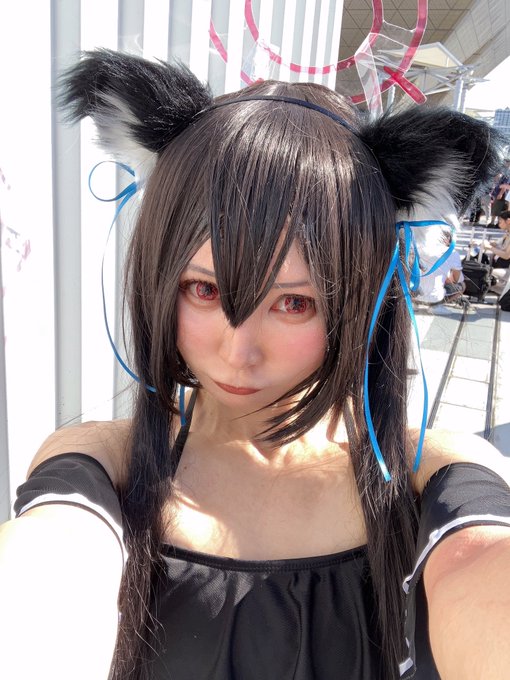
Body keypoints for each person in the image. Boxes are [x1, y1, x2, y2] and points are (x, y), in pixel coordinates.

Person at [1, 50, 510, 680]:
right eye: (205, 290)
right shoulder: (103, 465)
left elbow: (481, 568)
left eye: (295, 303)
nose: (238, 352)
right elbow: (46, 582)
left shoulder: (434, 475)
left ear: (362, 301)